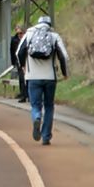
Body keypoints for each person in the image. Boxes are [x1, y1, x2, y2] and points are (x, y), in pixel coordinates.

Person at [17, 15, 70, 146]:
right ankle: (46, 137)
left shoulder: (29, 34)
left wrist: (23, 66)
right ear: (49, 25)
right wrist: (64, 73)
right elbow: (64, 56)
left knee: (35, 105)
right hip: (50, 78)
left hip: (32, 77)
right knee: (49, 106)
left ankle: (36, 118)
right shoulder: (54, 36)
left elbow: (19, 52)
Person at [9, 25, 28, 102]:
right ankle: (23, 94)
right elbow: (12, 51)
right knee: (21, 78)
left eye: (21, 33)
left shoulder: (27, 39)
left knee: (27, 79)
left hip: (27, 62)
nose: (20, 35)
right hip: (19, 62)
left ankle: (27, 94)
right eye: (18, 33)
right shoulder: (14, 40)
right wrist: (13, 62)